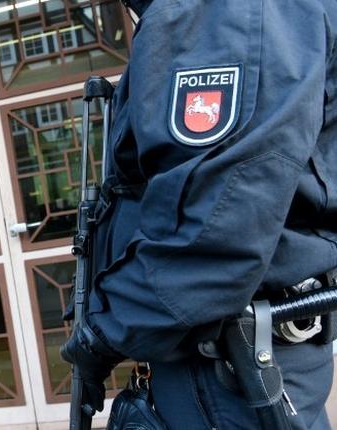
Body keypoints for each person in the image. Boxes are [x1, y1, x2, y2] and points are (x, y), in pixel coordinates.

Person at [63, 0, 337, 429]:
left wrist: (103, 332)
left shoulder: (220, 10)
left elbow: (216, 225)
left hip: (224, 361)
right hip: (213, 347)